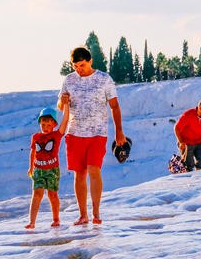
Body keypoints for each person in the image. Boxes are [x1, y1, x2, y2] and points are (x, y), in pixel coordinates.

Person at [59, 46, 126, 225]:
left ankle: (96, 212)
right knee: (79, 174)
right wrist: (62, 101)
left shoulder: (104, 79)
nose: (78, 69)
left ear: (90, 61)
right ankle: (83, 215)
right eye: (75, 66)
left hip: (97, 132)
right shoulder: (69, 80)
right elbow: (60, 104)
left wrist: (119, 131)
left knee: (94, 170)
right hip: (74, 133)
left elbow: (114, 106)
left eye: (81, 65)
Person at [25, 103, 70, 229]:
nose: (45, 127)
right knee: (37, 194)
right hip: (38, 170)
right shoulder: (35, 137)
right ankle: (32, 222)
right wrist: (31, 167)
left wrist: (66, 105)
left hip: (52, 171)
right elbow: (33, 152)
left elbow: (65, 120)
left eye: (49, 125)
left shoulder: (56, 135)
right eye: (43, 124)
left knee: (52, 195)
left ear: (54, 124)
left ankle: (56, 219)